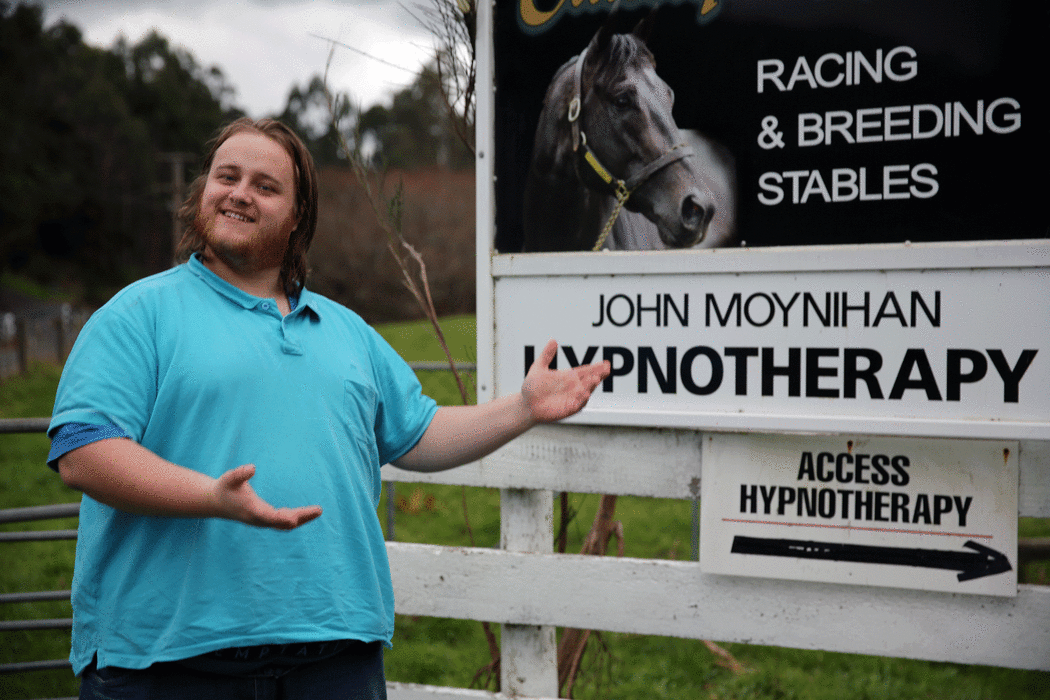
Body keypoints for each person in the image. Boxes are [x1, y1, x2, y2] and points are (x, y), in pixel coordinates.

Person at [47, 117, 610, 700]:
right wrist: (210, 497)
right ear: (202, 194)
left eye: (265, 186)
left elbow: (419, 434)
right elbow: (84, 453)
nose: (240, 193)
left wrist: (522, 407)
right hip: (168, 663)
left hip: (336, 658)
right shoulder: (137, 315)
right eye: (226, 177)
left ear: (297, 218)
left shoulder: (347, 331)